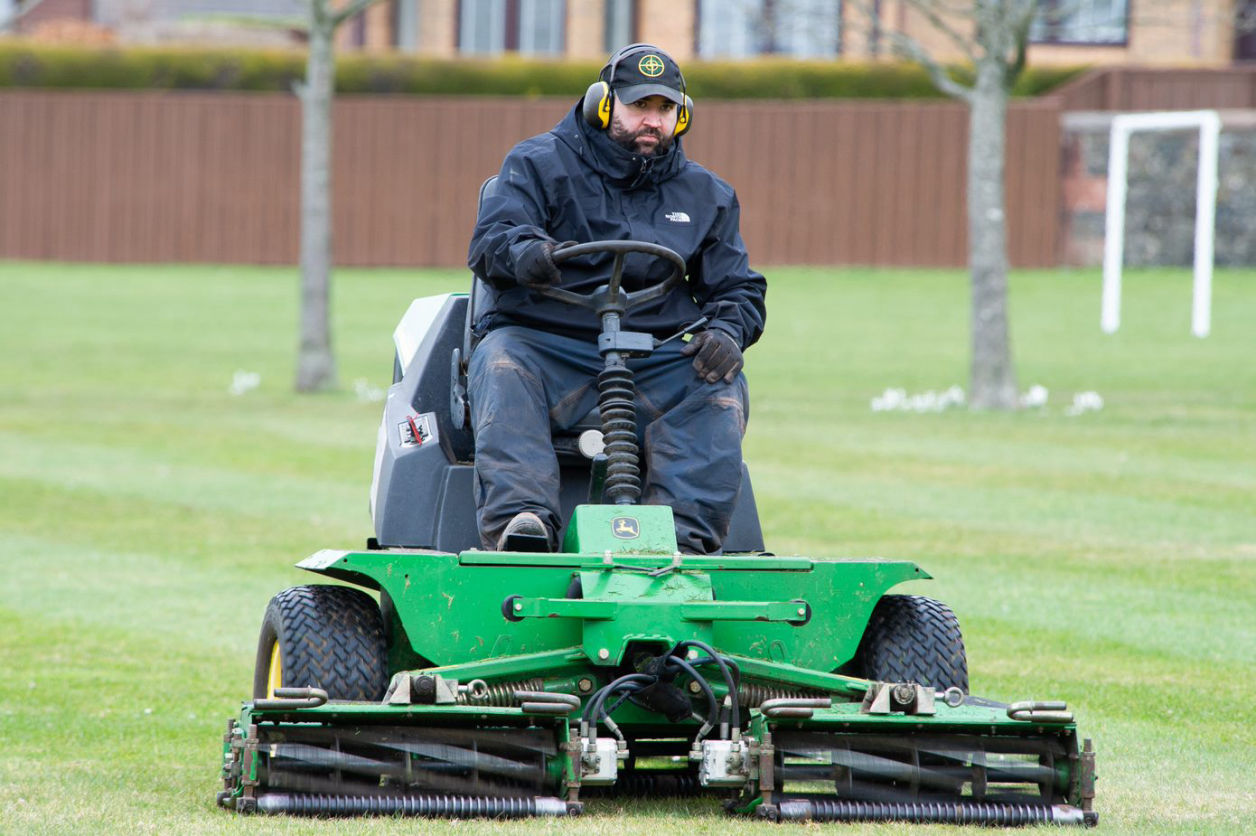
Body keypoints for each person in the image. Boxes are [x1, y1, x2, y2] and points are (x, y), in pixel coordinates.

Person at [466, 43, 766, 555]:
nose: (653, 120)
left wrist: (726, 331)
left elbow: (737, 287)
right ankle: (524, 523)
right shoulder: (537, 164)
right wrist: (529, 254)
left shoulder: (708, 195)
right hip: (548, 348)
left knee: (718, 381)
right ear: (601, 104)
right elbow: (493, 239)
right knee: (502, 359)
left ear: (682, 115)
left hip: (652, 356)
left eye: (665, 109)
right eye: (640, 106)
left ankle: (683, 545)